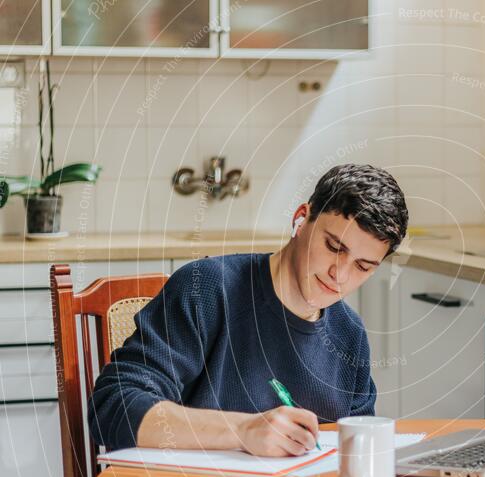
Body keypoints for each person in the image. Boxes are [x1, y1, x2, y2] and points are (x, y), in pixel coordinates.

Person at [88, 164, 408, 457]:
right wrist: (242, 431)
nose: (340, 275)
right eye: (334, 247)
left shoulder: (349, 335)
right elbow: (112, 409)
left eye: (363, 267)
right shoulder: (207, 290)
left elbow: (355, 453)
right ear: (300, 219)